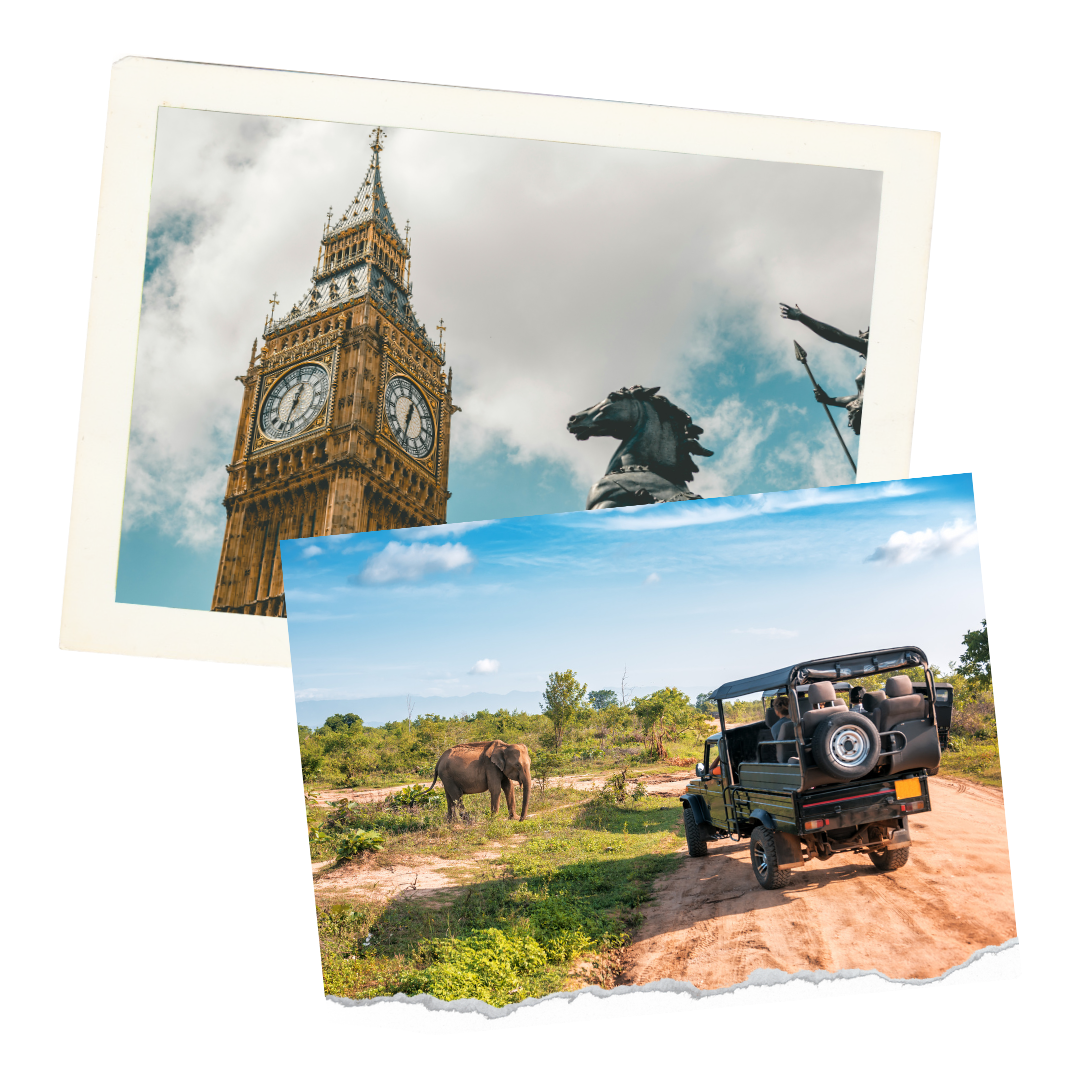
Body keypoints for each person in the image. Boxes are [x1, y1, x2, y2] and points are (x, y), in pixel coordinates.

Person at [780, 302, 867, 435]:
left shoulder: (873, 349)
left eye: (861, 339)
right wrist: (829, 400)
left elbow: (836, 336)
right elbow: (859, 398)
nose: (860, 352)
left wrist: (801, 317)